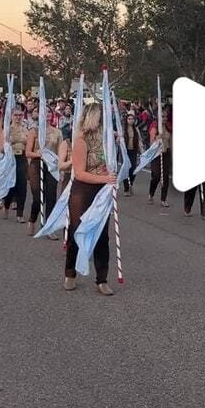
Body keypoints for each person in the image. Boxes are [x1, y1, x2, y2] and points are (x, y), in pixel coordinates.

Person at [64, 103, 116, 294]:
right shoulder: (81, 141)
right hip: (83, 190)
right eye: (101, 116)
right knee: (77, 230)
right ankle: (70, 273)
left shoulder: (106, 140)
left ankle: (102, 279)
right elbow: (79, 173)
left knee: (102, 235)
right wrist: (104, 178)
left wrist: (112, 177)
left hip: (102, 190)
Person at [25, 108, 62, 236]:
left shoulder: (57, 132)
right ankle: (32, 219)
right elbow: (28, 152)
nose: (47, 114)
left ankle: (49, 227)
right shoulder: (34, 131)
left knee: (51, 197)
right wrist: (38, 154)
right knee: (38, 197)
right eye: (44, 112)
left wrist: (61, 169)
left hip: (52, 166)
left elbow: (60, 152)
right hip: (37, 164)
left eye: (49, 112)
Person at [2, 105, 28, 223]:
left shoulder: (25, 128)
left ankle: (20, 214)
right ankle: (6, 204)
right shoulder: (7, 129)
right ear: (11, 116)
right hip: (10, 158)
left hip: (22, 157)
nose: (18, 117)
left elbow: (29, 142)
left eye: (20, 115)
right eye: (16, 115)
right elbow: (3, 146)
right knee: (11, 185)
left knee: (22, 185)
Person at [148, 107, 171, 207]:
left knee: (165, 177)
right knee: (156, 176)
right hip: (156, 154)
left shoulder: (168, 127)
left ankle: (163, 199)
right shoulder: (154, 127)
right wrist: (157, 137)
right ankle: (151, 193)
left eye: (165, 116)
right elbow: (151, 142)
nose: (164, 118)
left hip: (166, 153)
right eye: (162, 116)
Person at [122, 111, 140, 196]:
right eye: (129, 119)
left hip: (134, 151)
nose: (131, 120)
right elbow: (119, 140)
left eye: (132, 119)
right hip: (125, 152)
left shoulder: (136, 130)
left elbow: (139, 140)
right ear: (126, 120)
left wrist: (141, 150)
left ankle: (130, 184)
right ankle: (126, 189)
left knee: (133, 169)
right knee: (126, 170)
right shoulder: (123, 130)